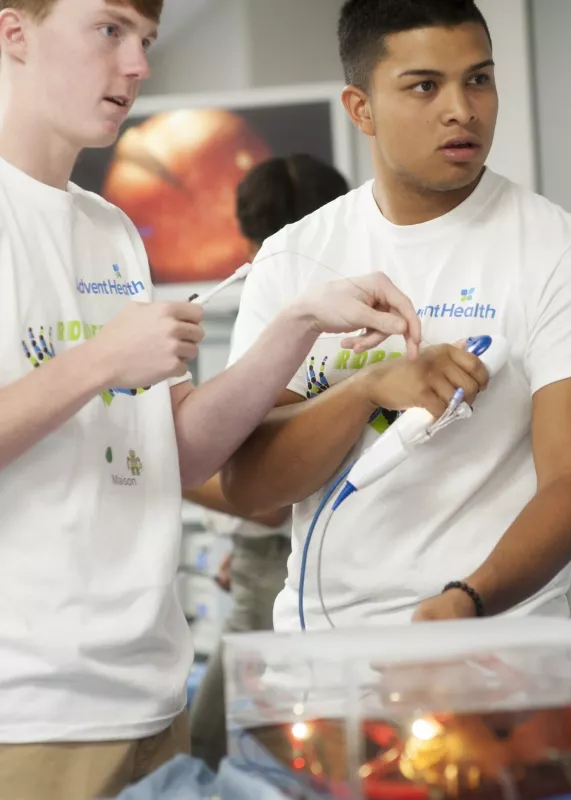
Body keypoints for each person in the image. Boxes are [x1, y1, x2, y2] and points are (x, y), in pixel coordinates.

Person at [0, 1, 420, 798]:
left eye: (147, 40)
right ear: (14, 32)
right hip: (26, 715)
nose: (138, 66)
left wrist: (298, 322)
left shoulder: (113, 231)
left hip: (149, 701)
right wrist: (100, 361)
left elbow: (181, 449)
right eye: (110, 30)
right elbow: (100, 374)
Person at [222, 0, 571, 633]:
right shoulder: (294, 257)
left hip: (495, 646)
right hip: (321, 656)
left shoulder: (564, 255)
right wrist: (367, 389)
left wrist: (465, 602)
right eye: (425, 85)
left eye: (478, 78)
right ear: (360, 108)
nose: (463, 109)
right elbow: (250, 487)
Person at [186, 154, 350, 771]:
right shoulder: (350, 318)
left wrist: (164, 472)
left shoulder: (310, 331)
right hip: (273, 557)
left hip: (285, 566)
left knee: (211, 750)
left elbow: (267, 496)